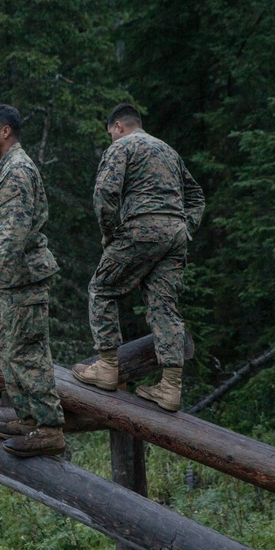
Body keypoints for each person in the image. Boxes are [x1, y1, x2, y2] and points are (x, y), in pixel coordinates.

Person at [71, 103, 205, 412]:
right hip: (174, 236)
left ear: (118, 126)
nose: (111, 140)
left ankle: (106, 366)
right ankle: (171, 387)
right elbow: (196, 196)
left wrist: (109, 232)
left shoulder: (123, 147)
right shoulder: (169, 152)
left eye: (110, 134)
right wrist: (187, 228)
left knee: (102, 288)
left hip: (142, 228)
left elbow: (104, 193)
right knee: (164, 306)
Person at [0, 104, 65, 457]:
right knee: (8, 351)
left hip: (23, 279)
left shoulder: (17, 169)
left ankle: (50, 427)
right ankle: (30, 419)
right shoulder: (6, 169)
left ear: (6, 131)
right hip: (13, 281)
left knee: (27, 353)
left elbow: (13, 231)